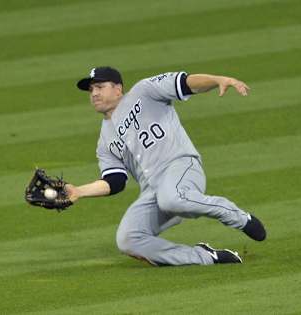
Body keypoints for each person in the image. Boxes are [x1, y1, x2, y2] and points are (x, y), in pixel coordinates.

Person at [65, 66, 266, 266]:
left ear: (118, 88)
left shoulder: (144, 92)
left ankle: (236, 216)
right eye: (91, 90)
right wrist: (79, 191)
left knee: (172, 198)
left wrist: (217, 80)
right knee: (128, 239)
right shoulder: (104, 142)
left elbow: (185, 83)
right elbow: (114, 181)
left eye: (99, 86)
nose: (94, 93)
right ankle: (206, 257)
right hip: (153, 191)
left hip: (181, 166)